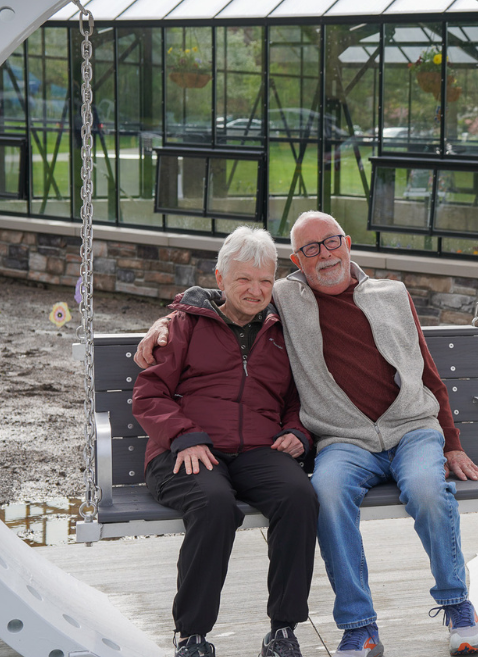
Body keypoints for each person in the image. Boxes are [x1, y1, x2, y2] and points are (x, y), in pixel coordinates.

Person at [136, 211, 478, 657]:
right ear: (296, 262)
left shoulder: (365, 300)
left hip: (398, 430)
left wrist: (451, 441)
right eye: (310, 249)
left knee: (396, 492)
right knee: (294, 496)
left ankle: (451, 607)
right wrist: (163, 327)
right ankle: (350, 628)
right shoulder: (260, 304)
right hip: (315, 440)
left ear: (347, 242)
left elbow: (420, 373)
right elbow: (210, 304)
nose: (324, 254)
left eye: (332, 241)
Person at [133, 227, 317, 657]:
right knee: (215, 505)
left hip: (258, 448)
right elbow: (148, 395)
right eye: (244, 279)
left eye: (266, 281)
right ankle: (192, 636)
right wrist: (184, 436)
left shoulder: (281, 329)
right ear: (220, 279)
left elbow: (298, 398)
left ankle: (283, 630)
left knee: (299, 496)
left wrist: (297, 432)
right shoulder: (184, 325)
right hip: (187, 449)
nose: (256, 291)